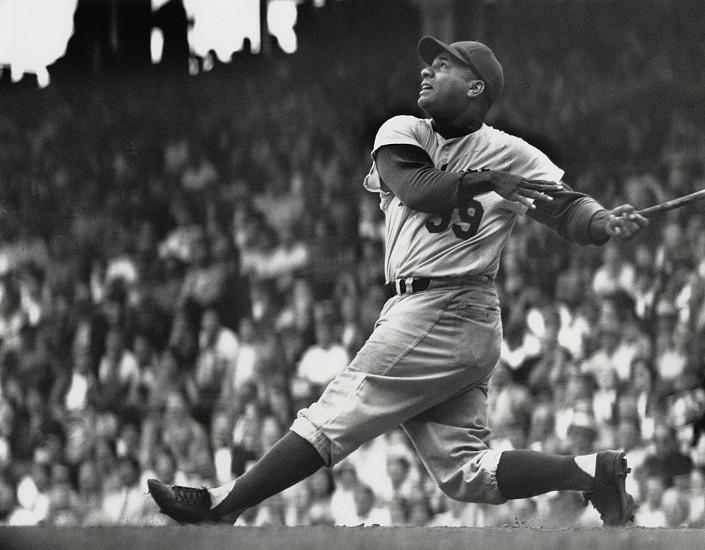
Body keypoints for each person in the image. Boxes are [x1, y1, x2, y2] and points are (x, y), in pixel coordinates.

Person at [148, 36, 647, 527]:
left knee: (334, 413)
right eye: (429, 65)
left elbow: (566, 208)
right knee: (467, 474)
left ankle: (222, 505)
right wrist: (489, 180)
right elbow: (419, 189)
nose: (427, 71)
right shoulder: (403, 130)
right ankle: (594, 472)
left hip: (449, 304)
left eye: (444, 66)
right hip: (439, 313)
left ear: (476, 88)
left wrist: (604, 221)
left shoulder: (509, 151)